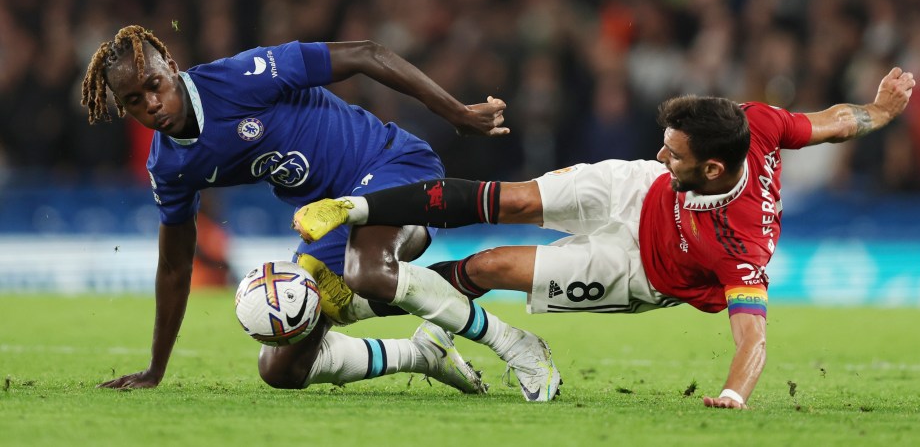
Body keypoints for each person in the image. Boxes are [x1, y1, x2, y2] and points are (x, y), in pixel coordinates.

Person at [293, 67, 916, 409]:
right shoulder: (753, 122)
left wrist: (733, 393)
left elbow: (752, 334)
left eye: (675, 153)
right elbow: (833, 122)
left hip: (637, 270)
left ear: (713, 171)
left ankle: (380, 309)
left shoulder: (739, 248)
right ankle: (358, 213)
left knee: (487, 267)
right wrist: (880, 111)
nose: (660, 151)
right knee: (512, 199)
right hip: (636, 192)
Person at [80, 25, 560, 401]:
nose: (152, 104)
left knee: (368, 270)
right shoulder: (170, 164)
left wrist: (454, 113)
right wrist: (155, 368)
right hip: (333, 217)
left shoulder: (241, 77)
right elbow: (175, 264)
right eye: (134, 102)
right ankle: (421, 354)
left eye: (154, 85)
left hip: (392, 165)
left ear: (172, 67)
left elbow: (367, 53)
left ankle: (515, 343)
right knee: (282, 369)